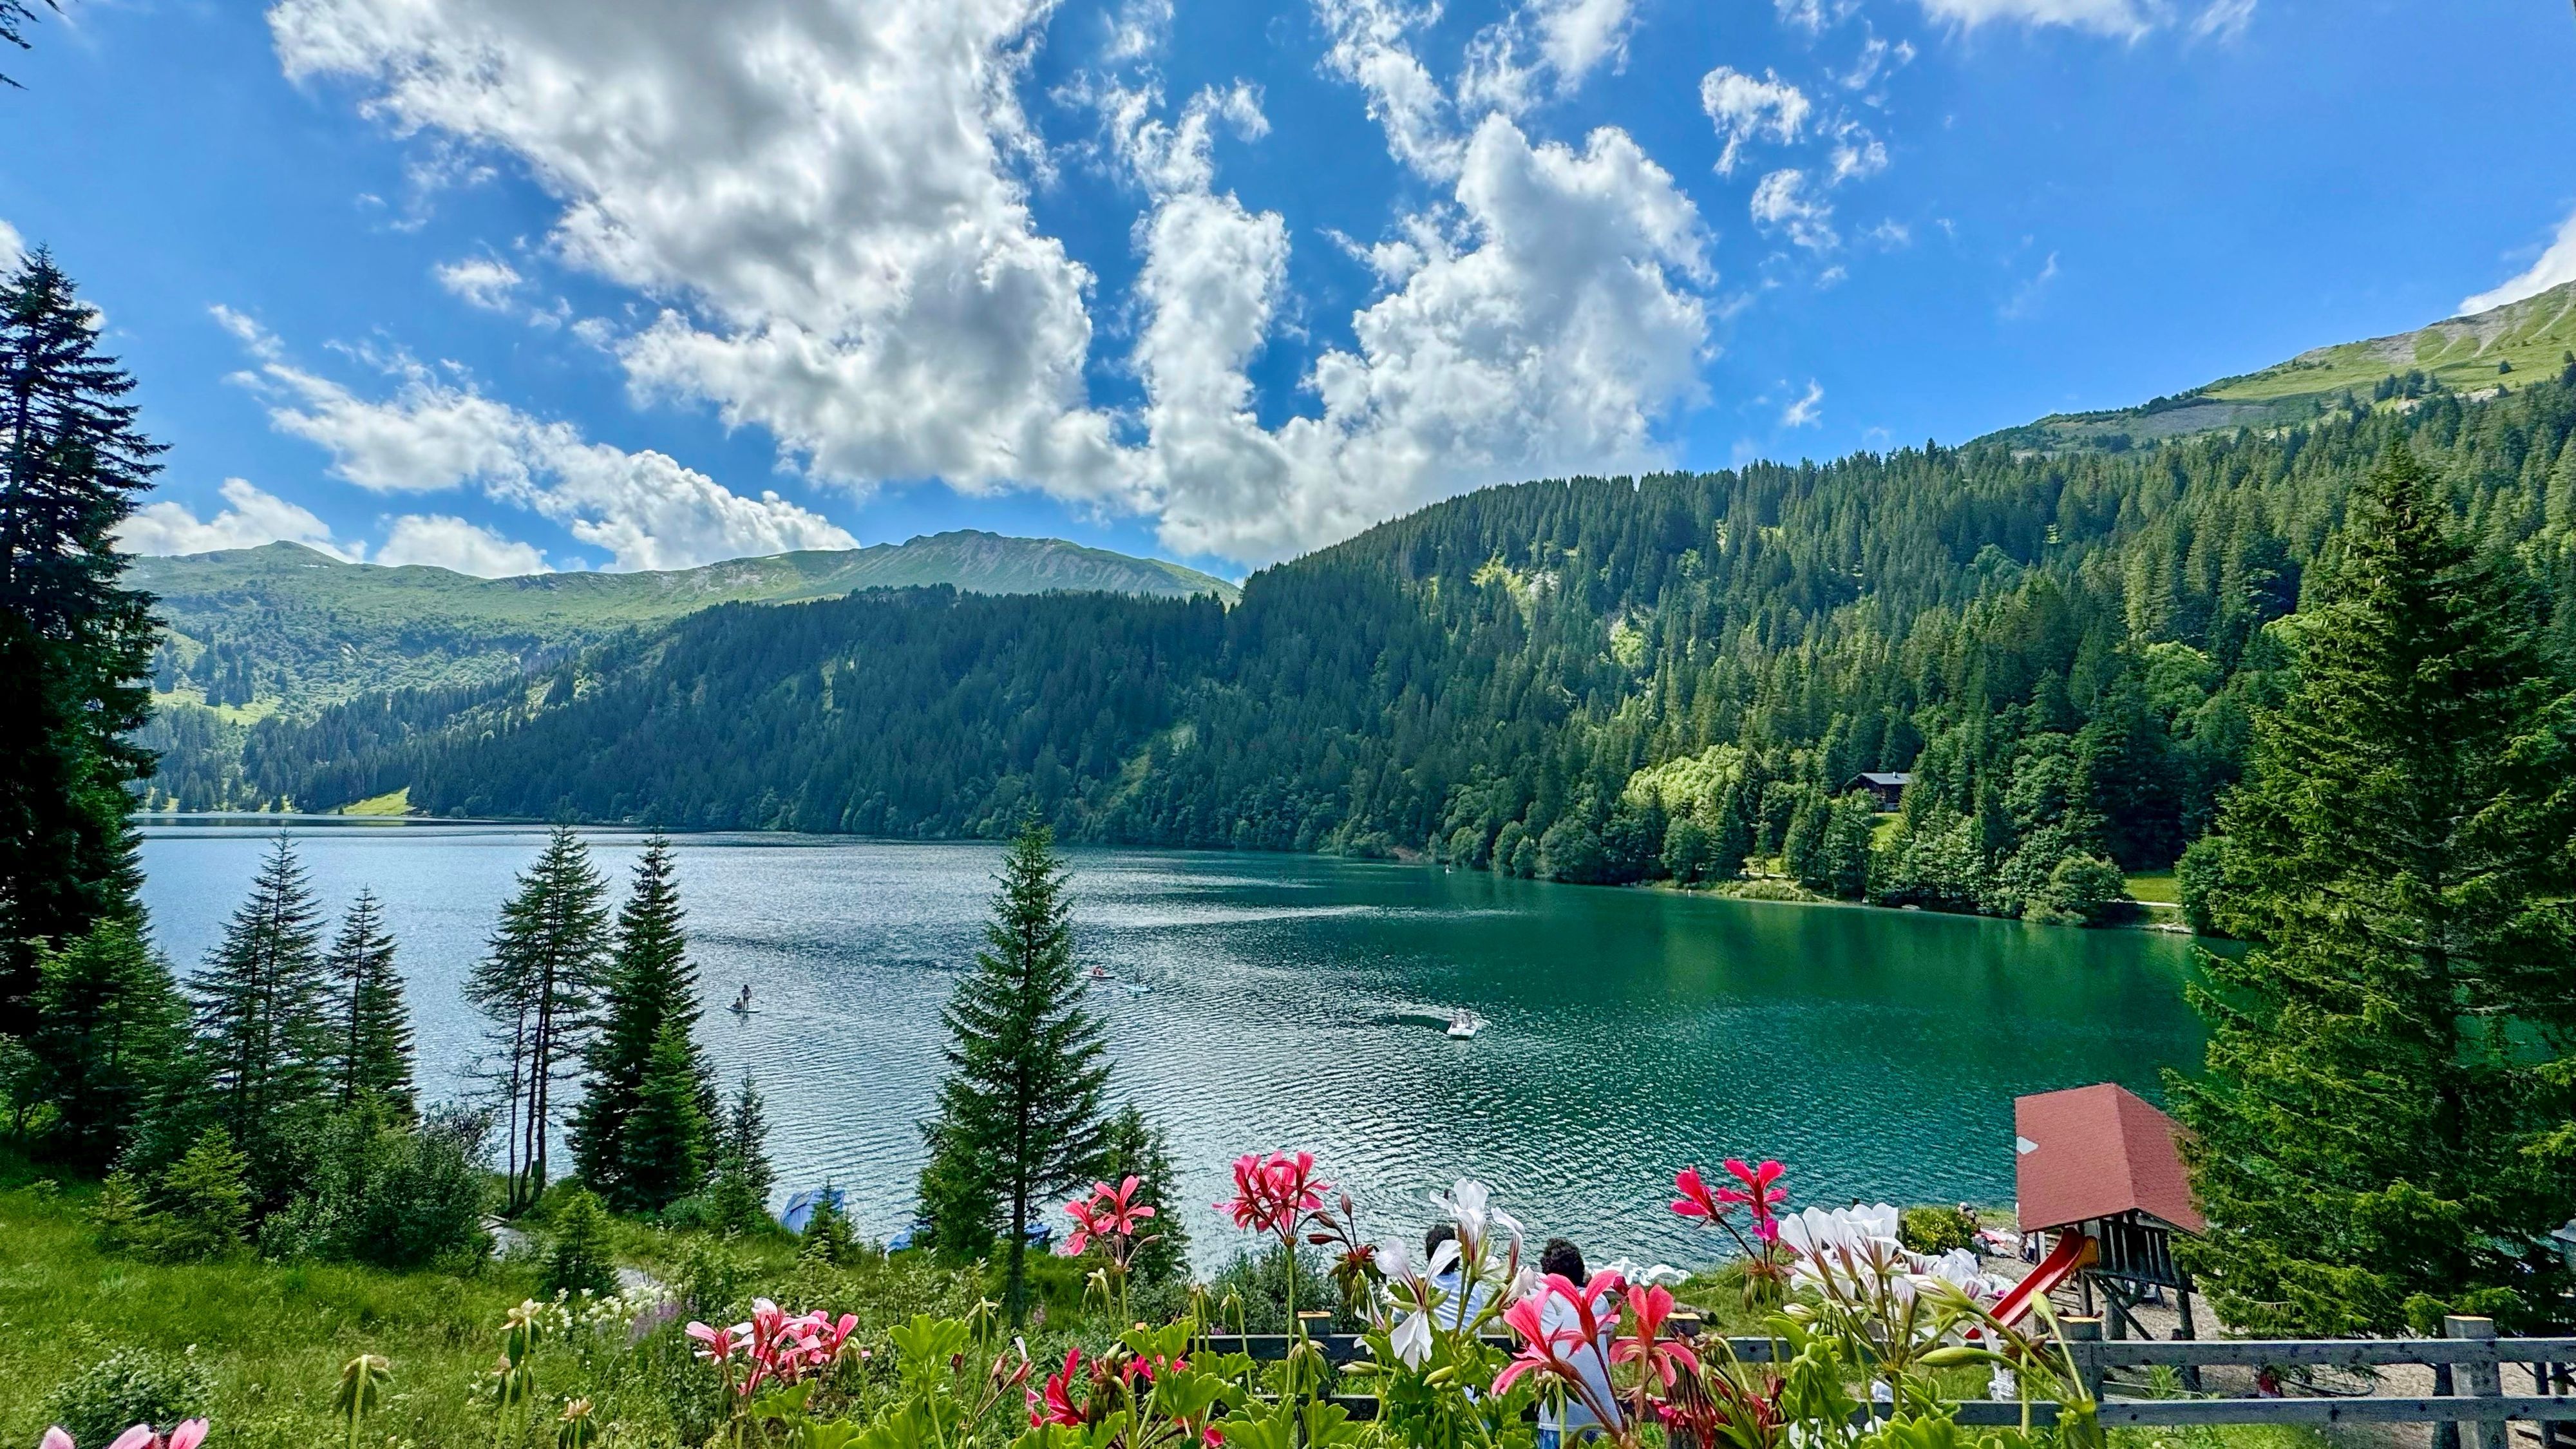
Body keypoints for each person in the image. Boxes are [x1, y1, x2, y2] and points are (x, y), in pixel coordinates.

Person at [1536, 1238, 1619, 1447]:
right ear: (1580, 1271)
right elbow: (1610, 1338)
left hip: (1558, 1420)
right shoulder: (1599, 1301)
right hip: (1604, 1417)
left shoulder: (1541, 1301)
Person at [1425, 1222, 1492, 1331]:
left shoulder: (1420, 1283)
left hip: (1436, 1341)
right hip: (1467, 1341)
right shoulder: (1474, 1289)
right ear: (1458, 1255)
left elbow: (1398, 1319)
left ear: (1429, 1257)